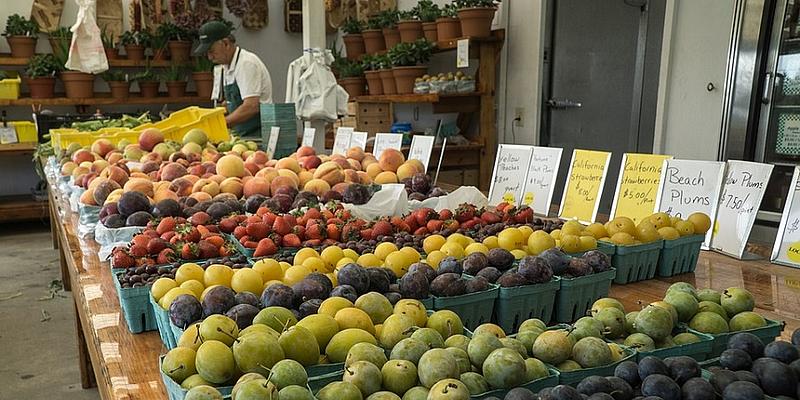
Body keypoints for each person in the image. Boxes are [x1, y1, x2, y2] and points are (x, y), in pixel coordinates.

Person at [193, 21, 273, 137]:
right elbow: (233, 102)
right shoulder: (227, 66)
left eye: (211, 51)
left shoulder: (246, 64)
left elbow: (251, 106)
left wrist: (221, 124)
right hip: (242, 135)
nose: (210, 57)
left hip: (257, 135)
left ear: (226, 43)